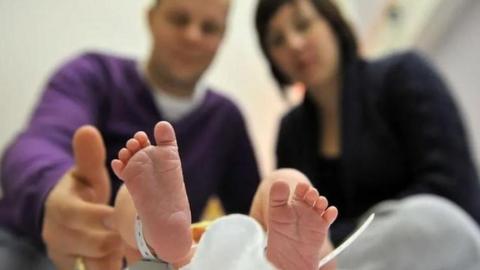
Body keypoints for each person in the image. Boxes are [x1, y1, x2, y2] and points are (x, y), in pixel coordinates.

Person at [0, 0, 260, 269]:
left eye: (209, 28)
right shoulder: (92, 75)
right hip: (31, 244)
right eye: (179, 20)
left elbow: (253, 215)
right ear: (151, 18)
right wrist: (53, 191)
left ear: (222, 37)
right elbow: (37, 143)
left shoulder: (227, 121)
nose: (192, 35)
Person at [255, 0, 480, 269]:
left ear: (332, 21)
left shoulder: (404, 75)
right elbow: (292, 231)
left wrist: (326, 242)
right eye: (277, 40)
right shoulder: (290, 132)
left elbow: (453, 192)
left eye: (303, 24)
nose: (294, 43)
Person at [109, 121, 338, 270]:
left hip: (174, 261)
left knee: (127, 203)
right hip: (260, 260)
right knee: (286, 182)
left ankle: (160, 242)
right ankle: (291, 261)